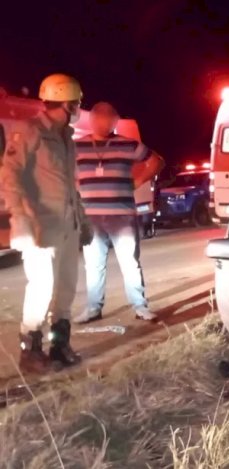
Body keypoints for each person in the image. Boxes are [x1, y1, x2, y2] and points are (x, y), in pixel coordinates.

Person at [0, 73, 92, 372]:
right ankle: (31, 351)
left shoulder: (66, 137)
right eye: (76, 102)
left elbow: (68, 184)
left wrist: (83, 220)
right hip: (40, 226)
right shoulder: (30, 131)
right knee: (41, 287)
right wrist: (21, 220)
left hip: (67, 225)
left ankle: (59, 346)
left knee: (65, 287)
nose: (78, 106)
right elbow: (10, 177)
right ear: (66, 102)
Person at [73, 102, 164, 324]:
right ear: (92, 119)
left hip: (121, 215)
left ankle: (140, 306)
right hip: (91, 217)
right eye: (97, 117)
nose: (101, 121)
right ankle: (93, 308)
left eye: (107, 117)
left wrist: (139, 180)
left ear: (114, 121)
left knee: (130, 262)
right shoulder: (76, 147)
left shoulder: (127, 144)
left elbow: (157, 161)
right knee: (93, 264)